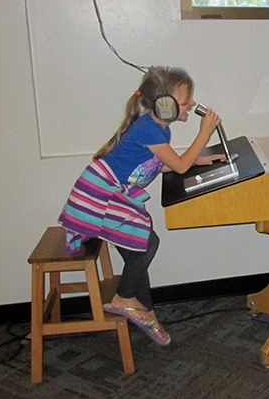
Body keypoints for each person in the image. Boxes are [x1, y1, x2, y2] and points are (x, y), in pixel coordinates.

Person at [58, 66, 224, 344]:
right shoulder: (150, 128)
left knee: (140, 249)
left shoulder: (159, 130)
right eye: (186, 101)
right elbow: (179, 165)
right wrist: (204, 133)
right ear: (165, 105)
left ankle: (143, 312)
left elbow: (154, 166)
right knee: (147, 244)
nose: (192, 105)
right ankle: (123, 299)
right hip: (101, 194)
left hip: (112, 191)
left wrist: (197, 160)